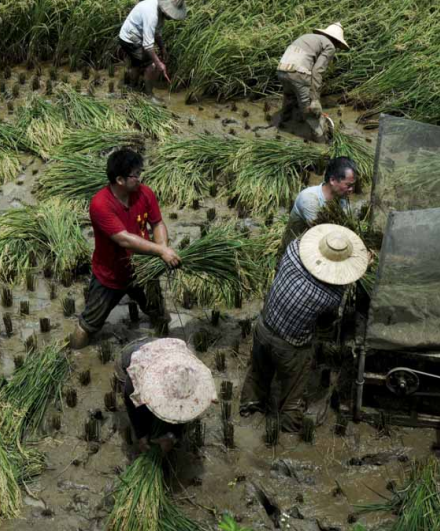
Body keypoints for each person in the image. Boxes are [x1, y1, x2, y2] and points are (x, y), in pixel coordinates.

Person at [240, 224, 368, 432]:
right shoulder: (330, 295)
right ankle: (289, 427)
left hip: (264, 326)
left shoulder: (292, 251)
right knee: (293, 390)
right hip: (290, 345)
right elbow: (325, 326)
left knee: (258, 371)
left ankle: (249, 407)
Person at [70, 148, 180, 349]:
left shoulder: (145, 193)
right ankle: (73, 355)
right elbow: (124, 240)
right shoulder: (100, 204)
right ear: (119, 180)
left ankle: (167, 347)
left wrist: (163, 246)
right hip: (110, 275)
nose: (140, 178)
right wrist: (161, 251)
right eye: (135, 175)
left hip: (142, 271)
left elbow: (157, 223)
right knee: (89, 324)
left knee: (159, 313)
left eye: (140, 173)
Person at [114, 337, 216, 453]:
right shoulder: (139, 376)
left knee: (177, 411)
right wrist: (141, 435)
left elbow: (187, 407)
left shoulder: (186, 369)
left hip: (160, 345)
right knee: (144, 412)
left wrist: (173, 436)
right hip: (131, 358)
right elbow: (131, 404)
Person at [276, 23, 349, 142]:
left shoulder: (309, 37)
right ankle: (321, 141)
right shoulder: (330, 45)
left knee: (290, 98)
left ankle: (282, 126)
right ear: (336, 41)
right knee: (310, 110)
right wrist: (315, 99)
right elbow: (317, 71)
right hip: (298, 73)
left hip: (281, 70)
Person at [117, 0, 188, 103]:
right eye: (171, 15)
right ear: (166, 10)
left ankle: (131, 88)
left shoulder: (158, 11)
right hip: (130, 39)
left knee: (137, 63)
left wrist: (163, 48)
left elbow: (157, 34)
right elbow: (148, 46)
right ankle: (149, 96)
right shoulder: (152, 15)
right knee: (152, 65)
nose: (171, 18)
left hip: (130, 36)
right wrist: (159, 63)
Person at [280, 156, 358, 250]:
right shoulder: (309, 198)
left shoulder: (342, 201)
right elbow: (321, 235)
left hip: (324, 248)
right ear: (332, 180)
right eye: (348, 185)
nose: (351, 190)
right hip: (297, 251)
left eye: (353, 185)